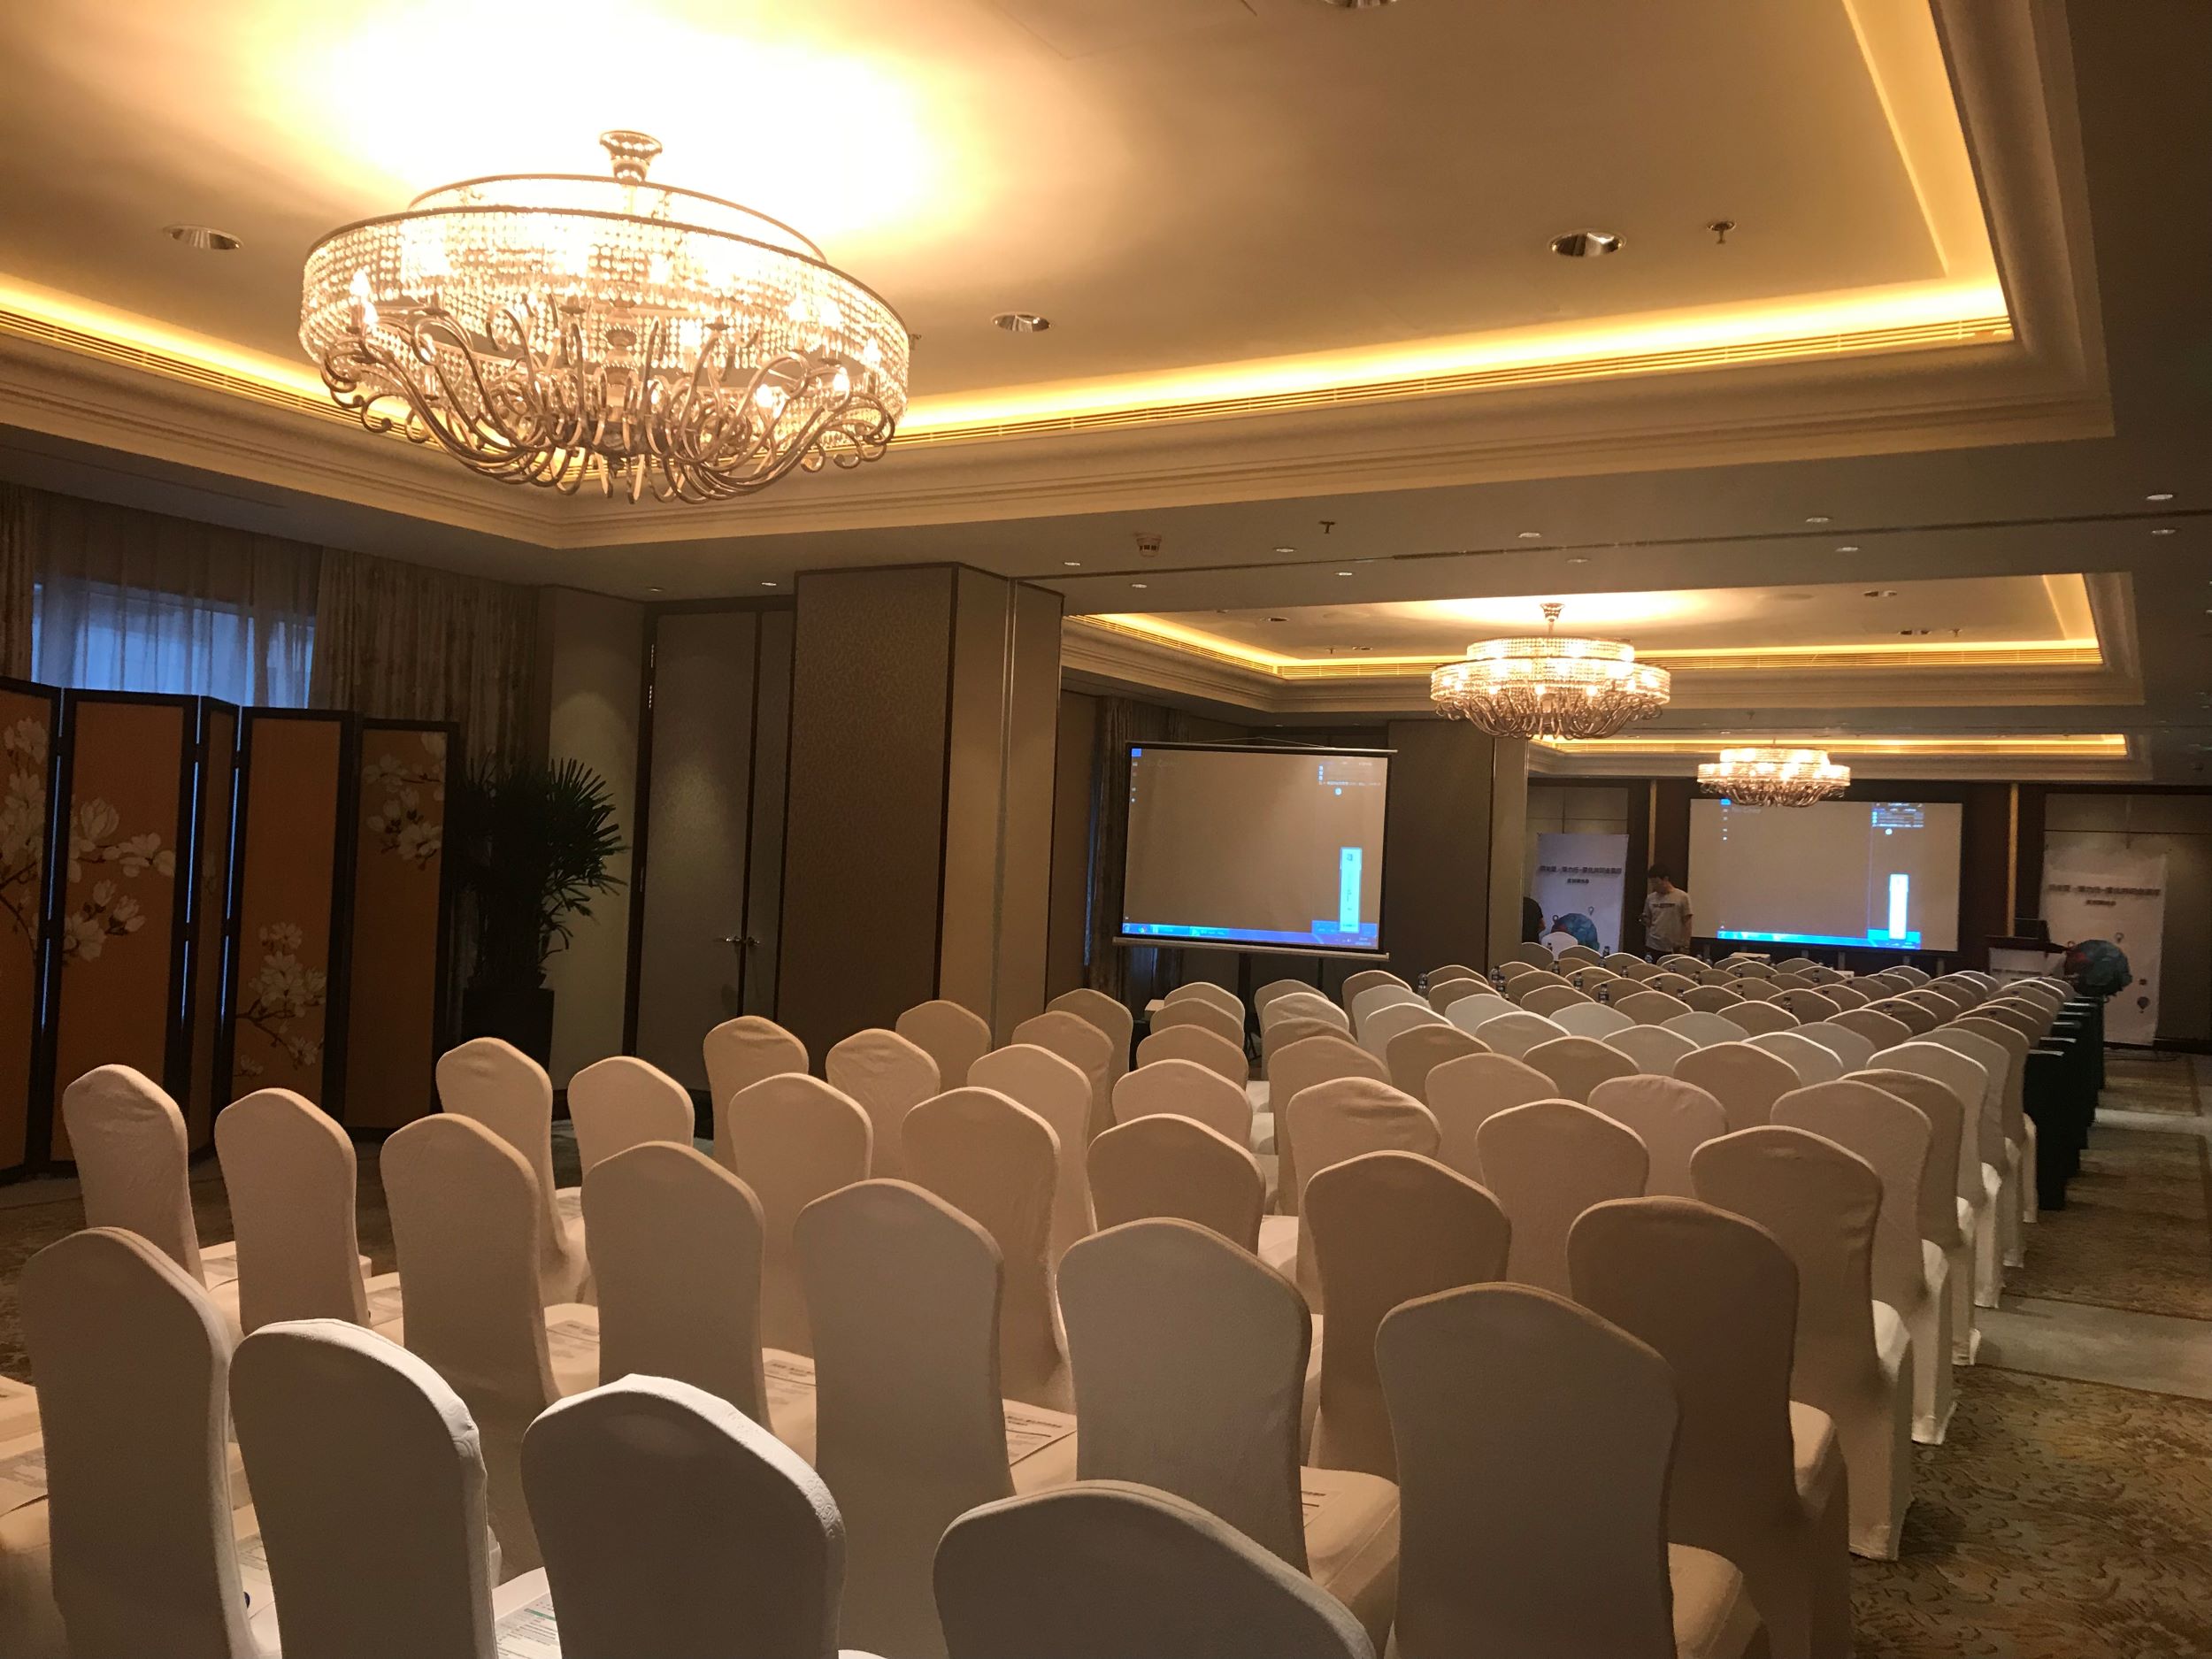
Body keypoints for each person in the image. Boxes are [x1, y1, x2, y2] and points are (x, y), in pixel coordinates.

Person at [1640, 866, 1694, 958]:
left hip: (1675, 947)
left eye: (1656, 882)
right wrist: (1644, 920)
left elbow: (1687, 923)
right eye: (1652, 883)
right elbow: (1649, 920)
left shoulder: (1682, 897)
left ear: (1666, 879)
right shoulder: (1650, 898)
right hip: (1653, 945)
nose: (1654, 886)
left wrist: (1686, 945)